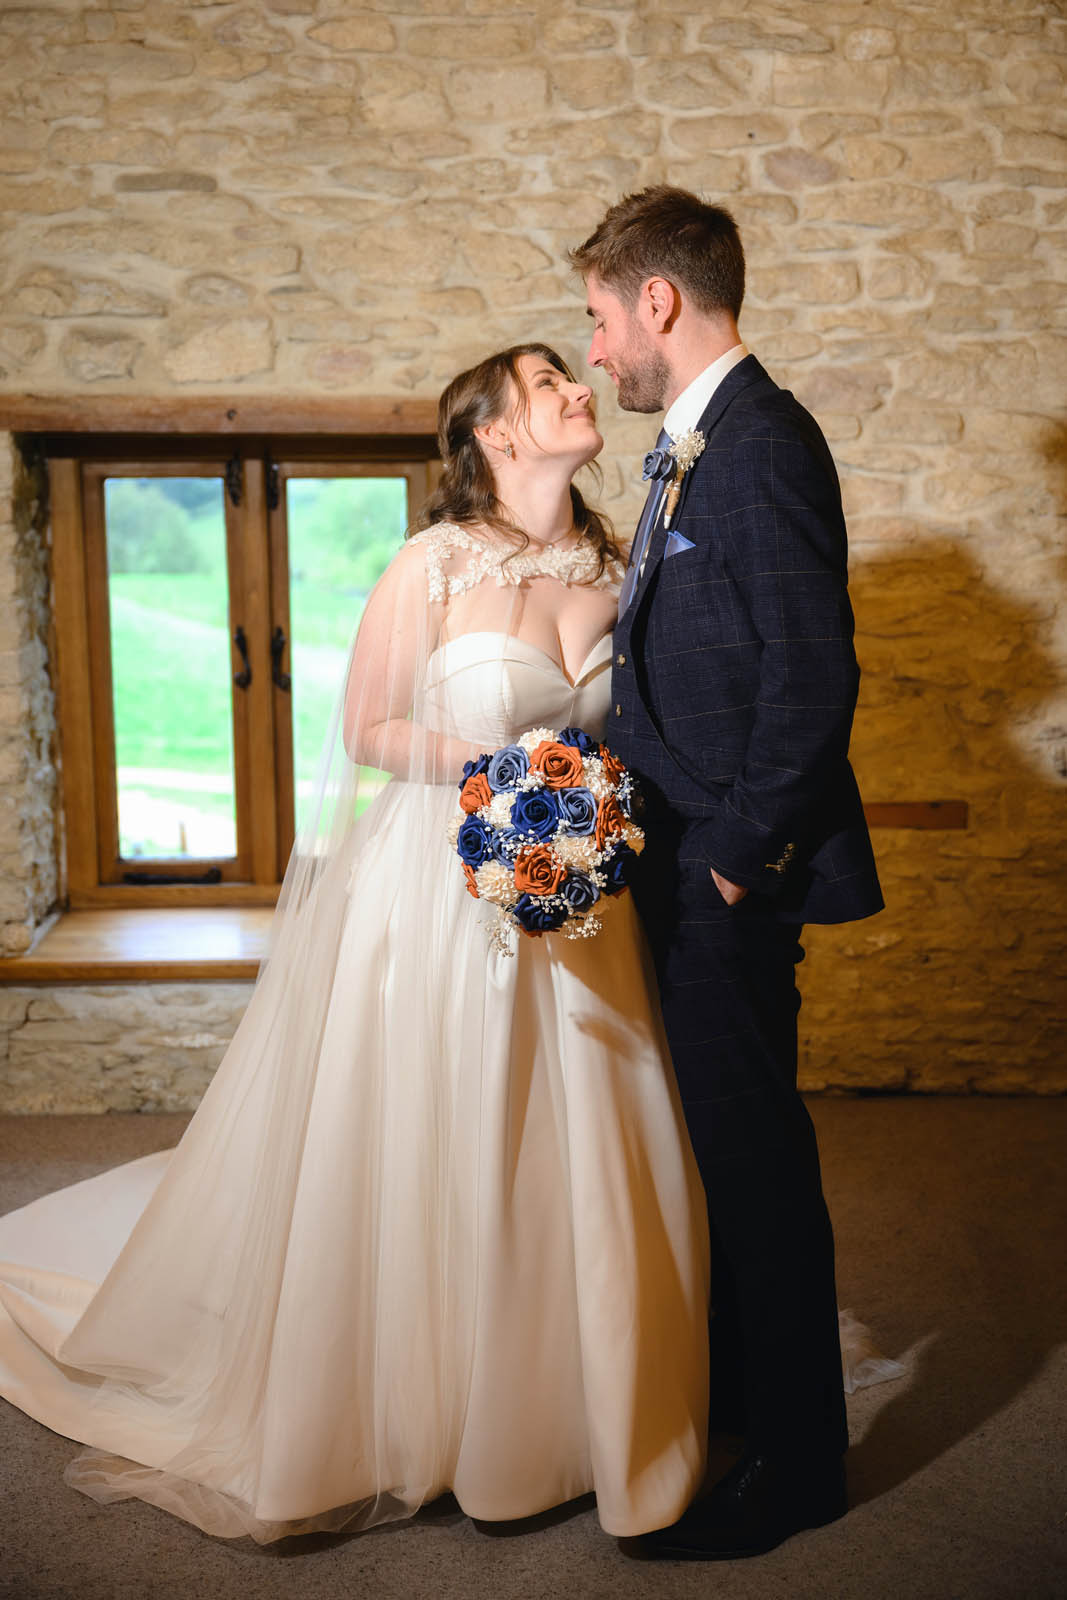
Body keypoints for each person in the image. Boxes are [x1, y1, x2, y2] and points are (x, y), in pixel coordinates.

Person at [0, 345, 712, 1543]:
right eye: (550, 383)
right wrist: (501, 774)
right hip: (439, 887)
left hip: (578, 896)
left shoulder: (617, 560)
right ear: (493, 432)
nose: (579, 389)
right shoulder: (427, 565)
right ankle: (420, 1402)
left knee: (580, 1131)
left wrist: (580, 797)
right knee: (434, 1125)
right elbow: (369, 727)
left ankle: (583, 1400)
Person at [569, 188, 885, 1561]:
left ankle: (799, 1473)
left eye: (596, 318)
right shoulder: (690, 448)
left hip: (719, 885)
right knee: (711, 1158)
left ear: (657, 301)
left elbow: (811, 684)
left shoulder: (759, 443)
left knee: (753, 1166)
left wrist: (734, 873)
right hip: (669, 865)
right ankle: (749, 1411)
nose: (593, 353)